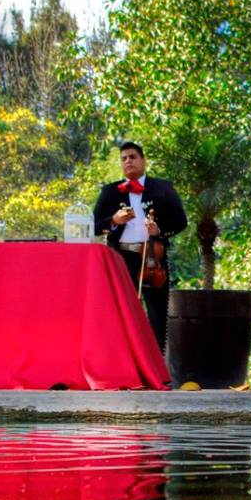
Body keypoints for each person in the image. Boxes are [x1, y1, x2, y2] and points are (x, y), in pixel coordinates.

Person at [92, 141, 187, 349]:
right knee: (121, 312)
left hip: (153, 258)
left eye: (133, 157)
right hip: (121, 258)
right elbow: (92, 226)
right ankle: (124, 365)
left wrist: (159, 230)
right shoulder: (110, 191)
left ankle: (157, 371)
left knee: (156, 315)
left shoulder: (163, 188)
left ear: (143, 160)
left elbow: (181, 221)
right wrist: (114, 221)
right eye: (124, 158)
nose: (128, 161)